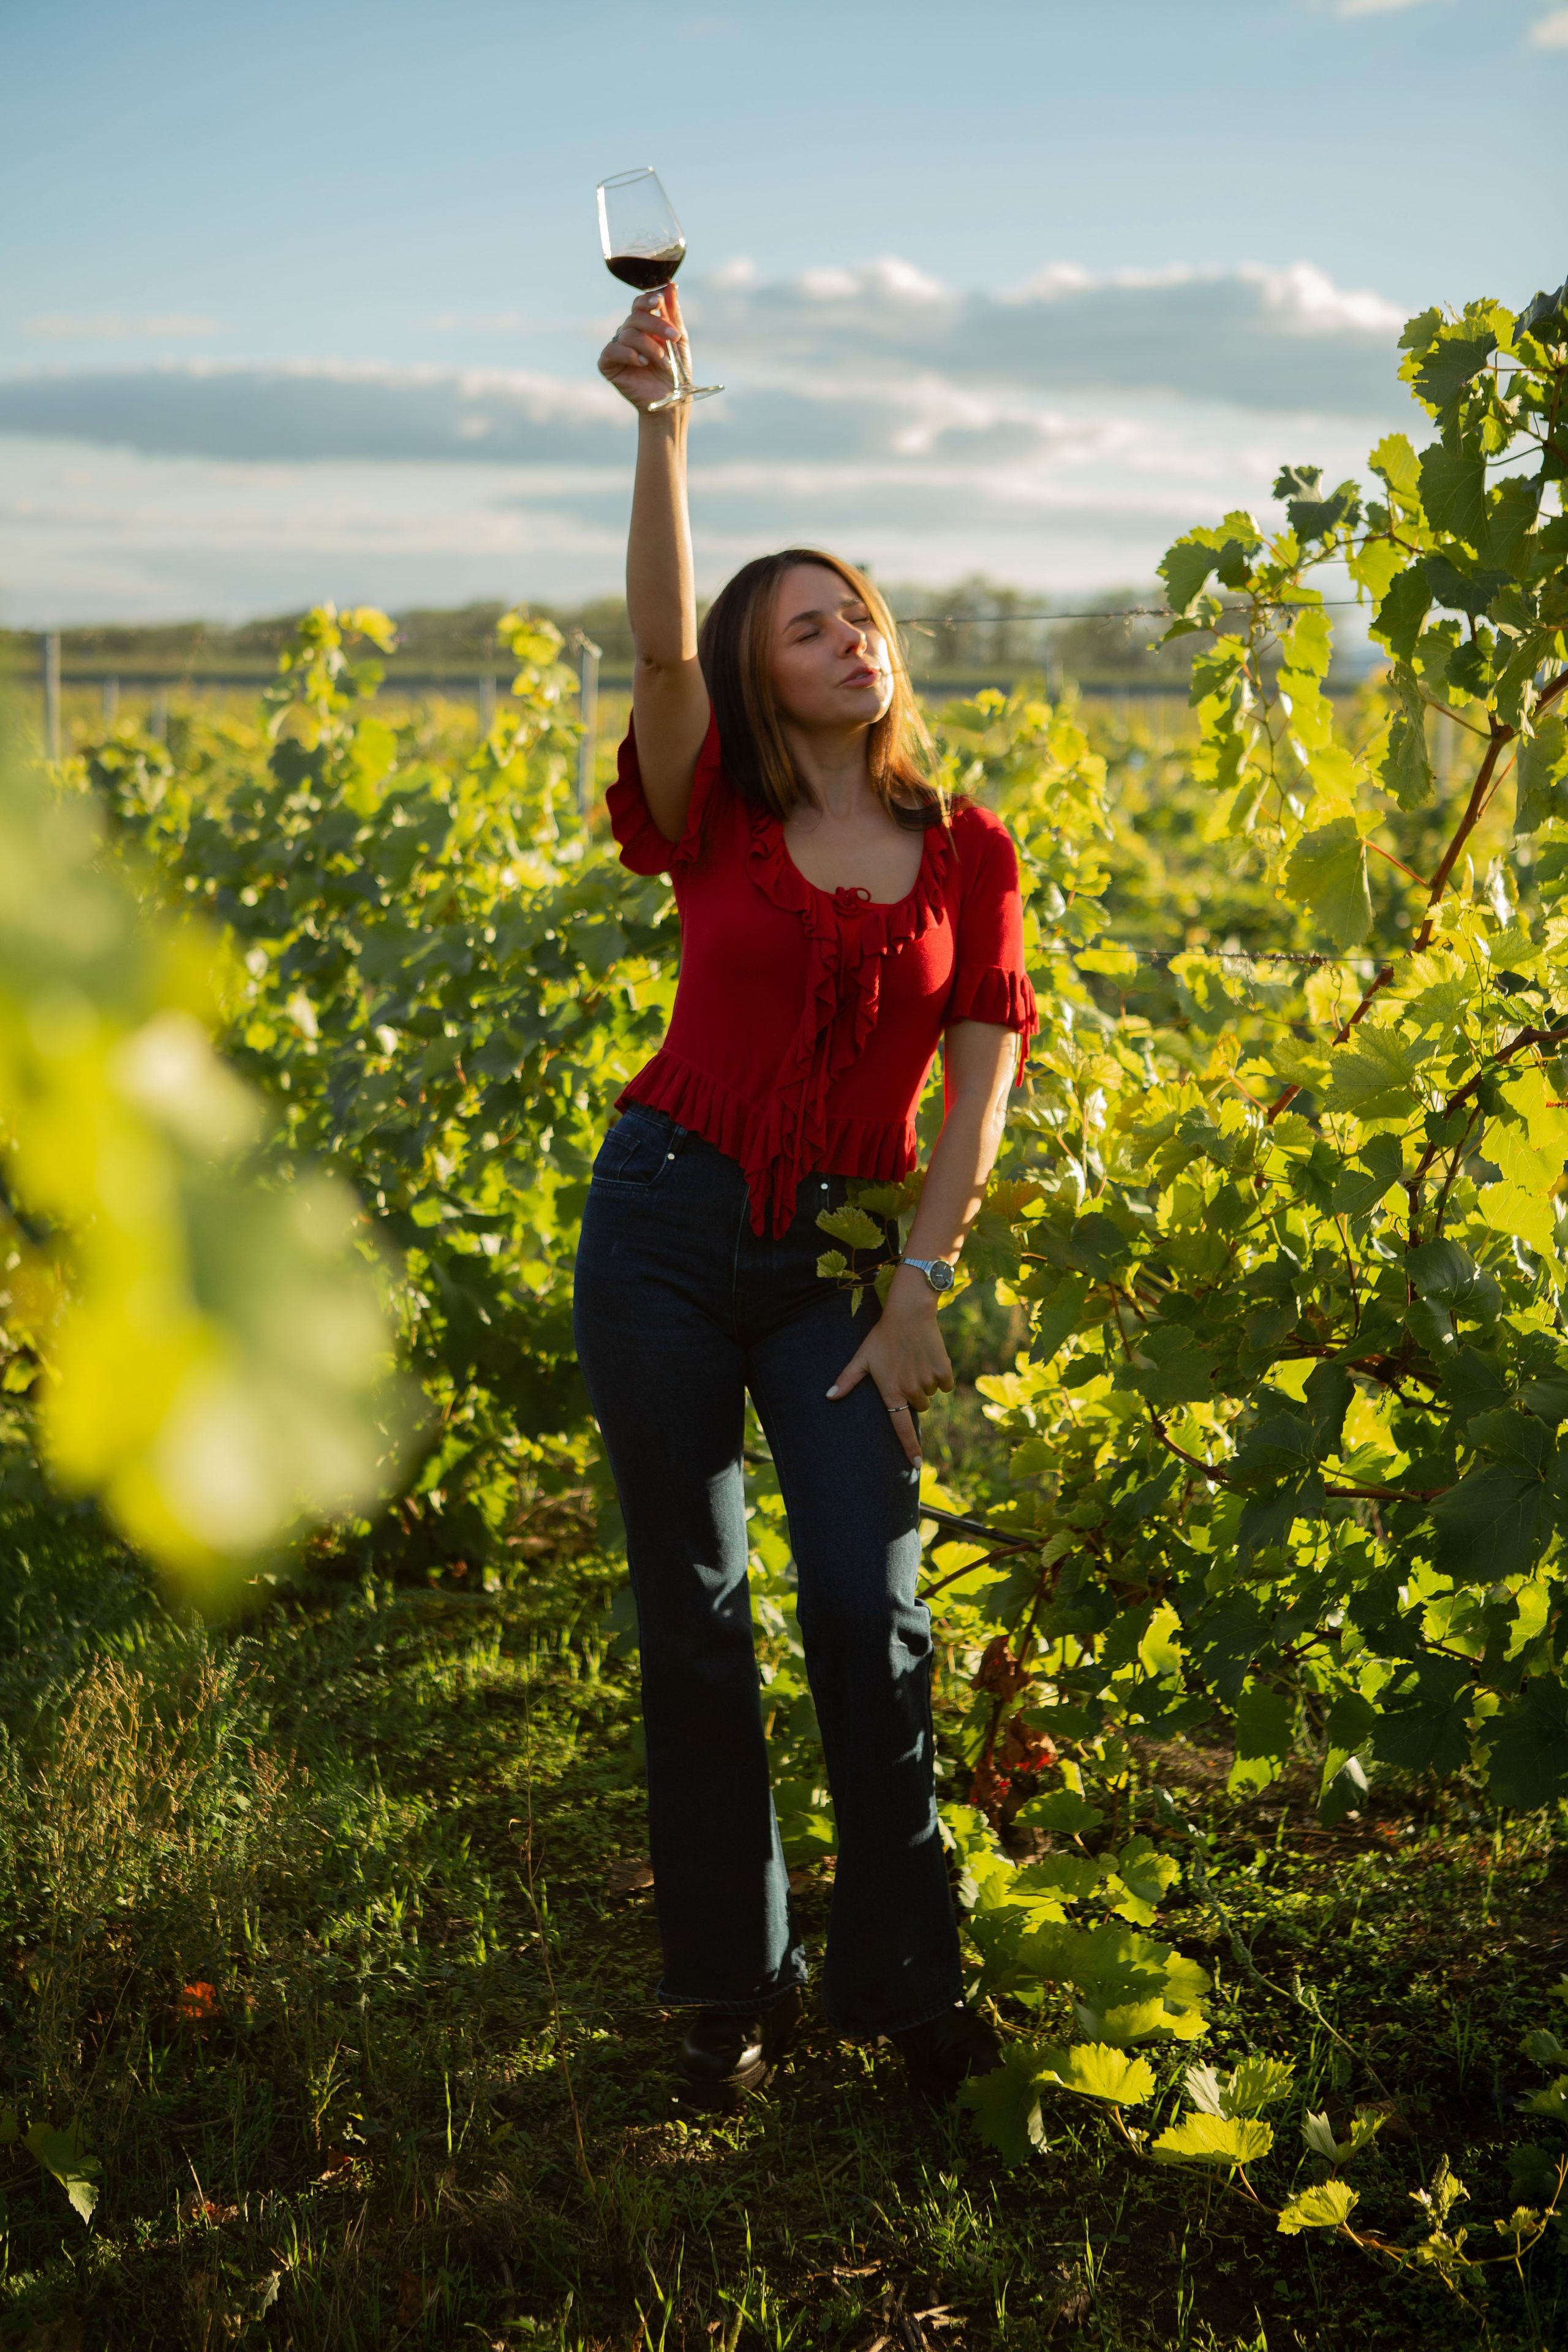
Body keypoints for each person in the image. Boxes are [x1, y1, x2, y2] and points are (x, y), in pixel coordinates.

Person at [573, 283, 1037, 2109]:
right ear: (757, 670)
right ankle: (729, 1993)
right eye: (808, 625)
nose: (853, 641)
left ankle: (903, 1985)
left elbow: (979, 1086)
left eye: (863, 616)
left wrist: (924, 1283)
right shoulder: (713, 811)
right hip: (665, 1227)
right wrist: (663, 429)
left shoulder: (969, 850)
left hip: (849, 1258)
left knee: (868, 1603)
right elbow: (657, 658)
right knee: (696, 1612)